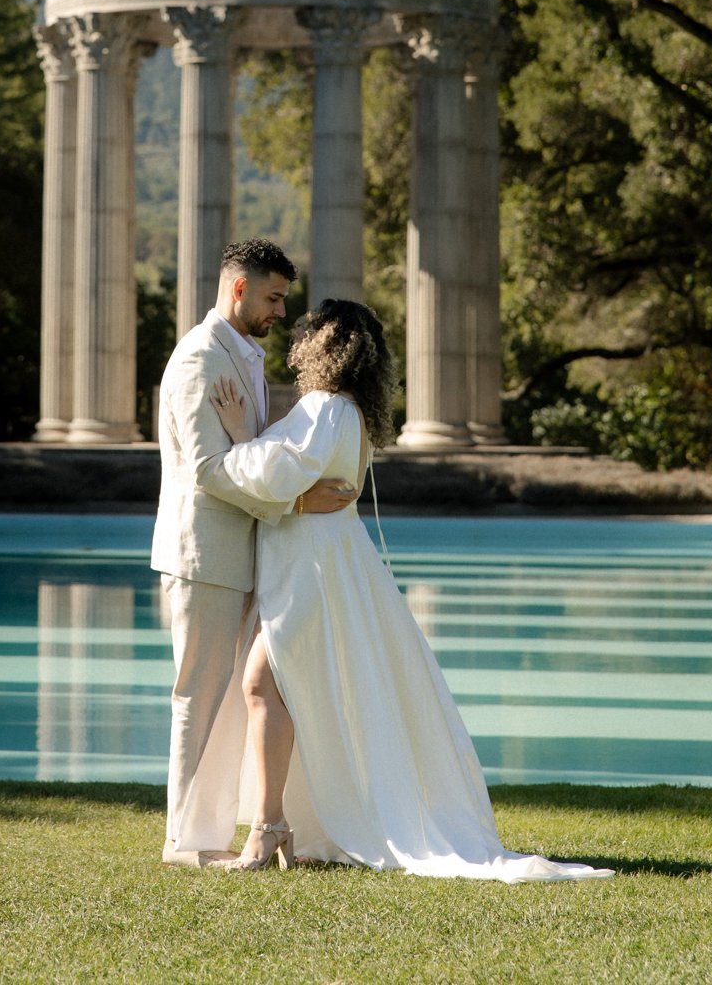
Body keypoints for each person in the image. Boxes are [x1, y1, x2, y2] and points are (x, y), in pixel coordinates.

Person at [208, 298, 614, 881]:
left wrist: (238, 434)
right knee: (280, 689)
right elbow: (294, 477)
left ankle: (268, 829)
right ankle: (278, 822)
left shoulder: (324, 407)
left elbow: (275, 473)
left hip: (314, 569)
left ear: (324, 345)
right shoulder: (348, 413)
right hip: (328, 565)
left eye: (308, 333)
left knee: (262, 685)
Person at [151, 239, 359, 867]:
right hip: (204, 553)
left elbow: (253, 454)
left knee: (240, 700)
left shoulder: (245, 354)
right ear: (238, 288)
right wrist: (295, 505)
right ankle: (186, 843)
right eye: (271, 297)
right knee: (199, 696)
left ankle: (239, 828)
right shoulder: (198, 359)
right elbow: (209, 470)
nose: (278, 311)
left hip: (247, 552)